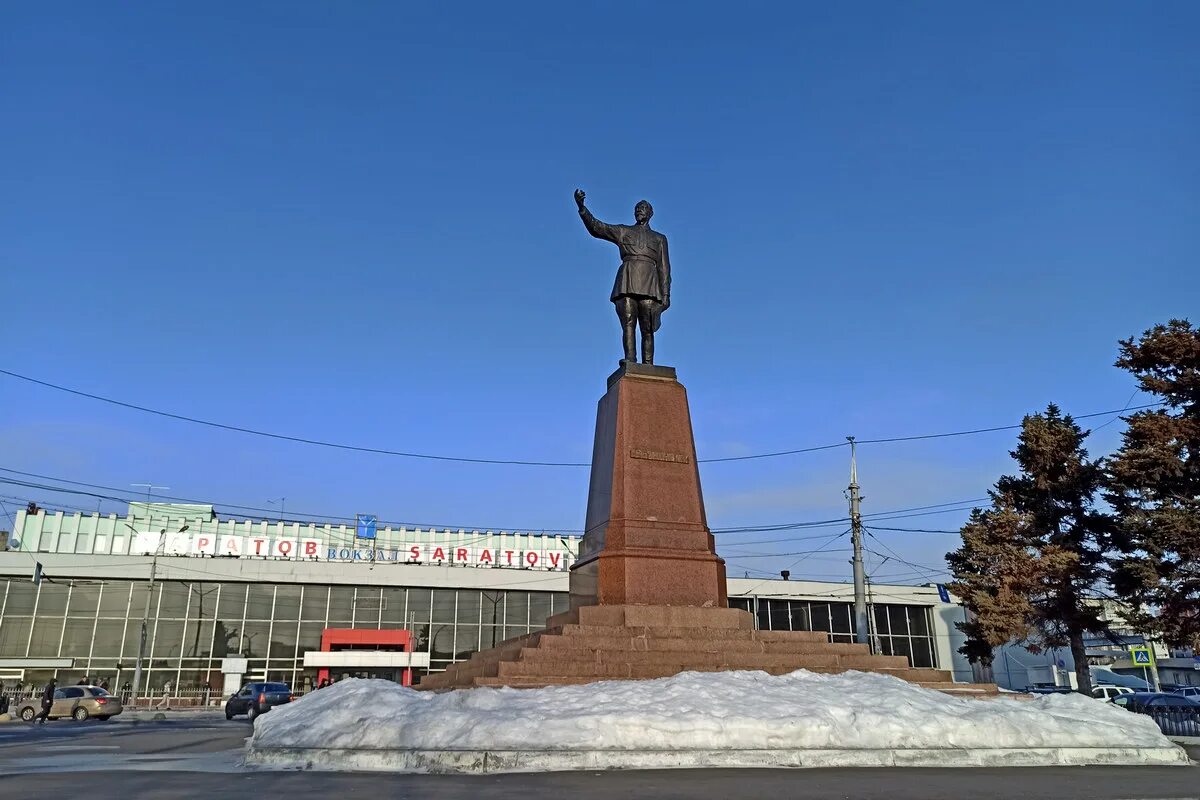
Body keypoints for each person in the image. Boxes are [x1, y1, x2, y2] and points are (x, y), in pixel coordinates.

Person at [575, 189, 672, 365]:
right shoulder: (623, 231)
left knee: (647, 327)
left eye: (642, 208)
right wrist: (582, 208)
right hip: (627, 281)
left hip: (649, 285)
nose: (639, 210)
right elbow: (598, 228)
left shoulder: (659, 239)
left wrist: (666, 296)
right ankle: (630, 360)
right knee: (628, 323)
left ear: (650, 213)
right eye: (636, 208)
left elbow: (664, 269)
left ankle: (648, 365)